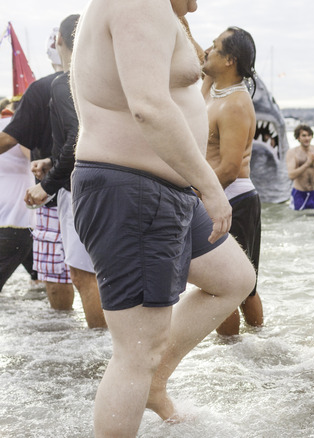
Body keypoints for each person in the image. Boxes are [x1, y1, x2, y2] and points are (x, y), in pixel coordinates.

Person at [70, 0, 256, 435]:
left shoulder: (158, 11)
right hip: (135, 190)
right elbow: (148, 106)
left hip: (160, 191)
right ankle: (145, 376)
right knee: (136, 351)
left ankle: (153, 383)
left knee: (232, 279)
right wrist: (210, 187)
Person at [23, 15, 106, 328]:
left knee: (85, 276)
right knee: (104, 275)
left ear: (60, 41)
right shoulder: (105, 79)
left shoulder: (67, 81)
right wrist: (51, 161)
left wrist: (48, 185)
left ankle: (99, 361)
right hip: (110, 182)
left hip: (81, 189)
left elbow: (77, 136)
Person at [0, 27, 74, 310]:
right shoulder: (111, 83)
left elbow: (9, 140)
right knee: (96, 275)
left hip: (50, 195)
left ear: (57, 44)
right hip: (102, 189)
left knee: (64, 277)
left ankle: (70, 345)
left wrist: (48, 177)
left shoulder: (43, 88)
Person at [200, 26, 264, 336]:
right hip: (219, 195)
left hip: (232, 198)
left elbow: (228, 168)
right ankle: (255, 346)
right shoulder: (214, 92)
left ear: (230, 61)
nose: (206, 51)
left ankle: (236, 353)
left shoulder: (236, 104)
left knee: (231, 287)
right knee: (241, 284)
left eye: (214, 48)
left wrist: (196, 197)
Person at [0, 100, 37, 292]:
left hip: (14, 221)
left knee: (40, 275)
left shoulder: (11, 127)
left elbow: (34, 158)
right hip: (16, 221)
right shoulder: (13, 127)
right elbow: (35, 158)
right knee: (40, 277)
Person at [286, 124, 314, 210]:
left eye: (309, 135)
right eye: (304, 135)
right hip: (299, 193)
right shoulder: (293, 153)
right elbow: (291, 175)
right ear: (298, 137)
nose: (307, 138)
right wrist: (307, 164)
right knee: (298, 219)